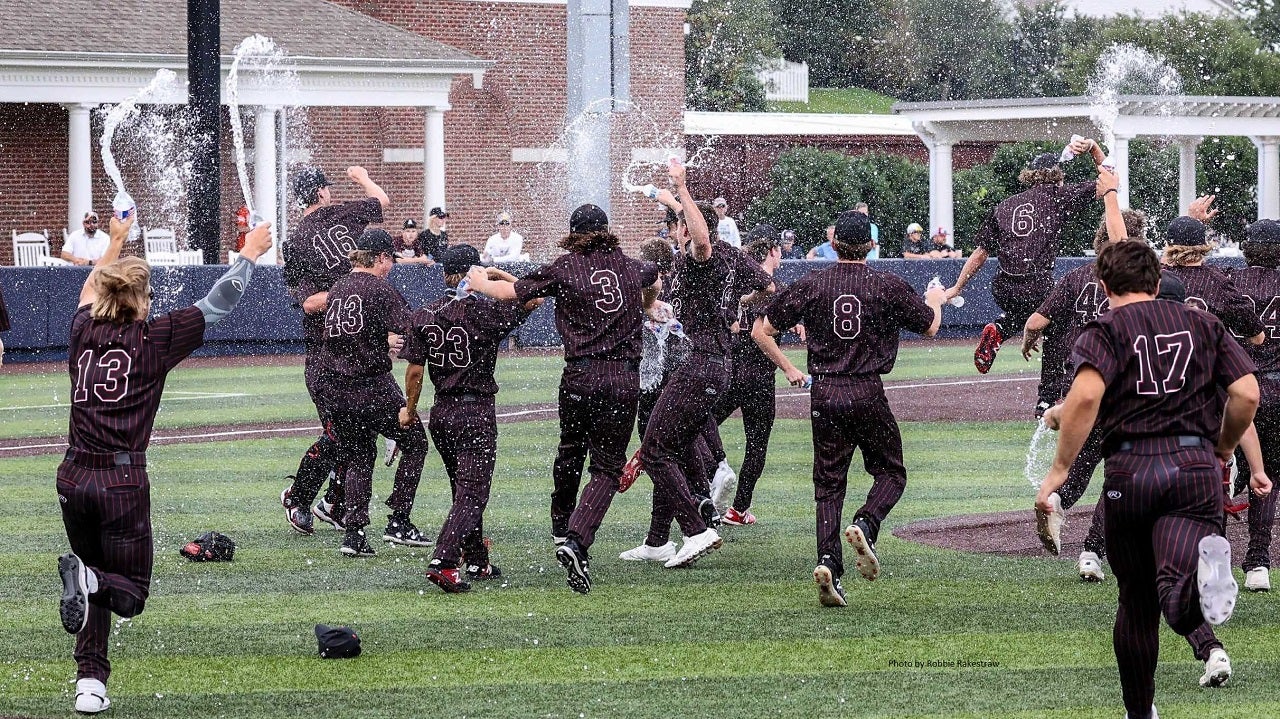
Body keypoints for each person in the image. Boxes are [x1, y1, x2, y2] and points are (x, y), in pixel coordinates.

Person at [1036, 240, 1268, 719]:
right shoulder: (1203, 323)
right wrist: (1222, 447)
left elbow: (1084, 400)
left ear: (1103, 286)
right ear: (1159, 284)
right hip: (1193, 466)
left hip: (1131, 469)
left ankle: (1140, 711)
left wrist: (1058, 472)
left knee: (1136, 602)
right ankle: (1198, 583)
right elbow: (1246, 394)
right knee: (1175, 580)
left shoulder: (1103, 328)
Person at [56, 214, 273, 714]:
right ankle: (88, 587)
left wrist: (114, 241)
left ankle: (90, 683)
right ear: (140, 300)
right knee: (127, 593)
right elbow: (220, 302)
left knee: (90, 573)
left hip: (72, 474)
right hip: (120, 479)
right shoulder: (152, 338)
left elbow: (90, 284)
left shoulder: (81, 328)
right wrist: (249, 253)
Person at [753, 210, 943, 607]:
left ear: (833, 243)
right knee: (891, 471)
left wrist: (789, 367)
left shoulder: (813, 280)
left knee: (828, 484)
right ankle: (867, 523)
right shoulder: (886, 283)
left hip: (825, 393)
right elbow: (929, 327)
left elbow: (761, 331)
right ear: (872, 245)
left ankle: (828, 562)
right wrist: (936, 299)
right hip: (867, 390)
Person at [467, 204, 660, 593]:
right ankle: (577, 539)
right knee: (607, 469)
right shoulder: (631, 266)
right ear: (607, 230)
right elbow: (655, 278)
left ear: (573, 233)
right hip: (622, 378)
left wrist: (478, 281)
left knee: (570, 450)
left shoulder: (565, 266)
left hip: (579, 376)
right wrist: (643, 304)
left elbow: (509, 292)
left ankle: (561, 526)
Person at [624, 161, 773, 570]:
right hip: (716, 362)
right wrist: (729, 307)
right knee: (675, 448)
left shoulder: (701, 253)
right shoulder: (734, 257)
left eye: (678, 225)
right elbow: (768, 286)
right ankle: (657, 540)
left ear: (688, 228)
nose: (674, 231)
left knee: (654, 450)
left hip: (697, 364)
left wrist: (683, 186)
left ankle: (697, 529)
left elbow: (701, 240)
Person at [402, 245, 541, 592]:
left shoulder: (425, 313)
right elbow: (533, 298)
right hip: (474, 410)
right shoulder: (485, 311)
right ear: (473, 271)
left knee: (462, 488)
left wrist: (410, 408)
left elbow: (415, 371)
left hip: (442, 412)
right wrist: (497, 278)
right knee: (473, 492)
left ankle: (477, 558)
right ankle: (445, 560)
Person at [279, 165, 389, 535]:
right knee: (342, 434)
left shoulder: (296, 240)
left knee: (362, 432)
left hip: (351, 349)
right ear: (323, 193)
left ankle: (335, 503)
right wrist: (362, 177)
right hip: (327, 354)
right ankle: (298, 496)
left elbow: (305, 299)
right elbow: (309, 303)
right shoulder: (311, 231)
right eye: (328, 188)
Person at [312, 229, 430, 557]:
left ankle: (354, 533)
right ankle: (399, 521)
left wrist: (380, 340)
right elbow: (412, 327)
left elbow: (350, 334)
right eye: (389, 258)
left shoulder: (338, 288)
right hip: (370, 385)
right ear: (379, 258)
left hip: (336, 387)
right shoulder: (379, 288)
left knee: (360, 456)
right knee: (416, 443)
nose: (391, 265)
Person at [945, 140, 1105, 373]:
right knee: (1059, 323)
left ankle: (1002, 328)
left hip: (1003, 288)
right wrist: (1093, 148)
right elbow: (1109, 181)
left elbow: (980, 254)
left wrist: (958, 287)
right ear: (1058, 176)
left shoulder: (1004, 205)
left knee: (1028, 307)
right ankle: (1048, 398)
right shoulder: (1059, 196)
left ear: (1030, 176)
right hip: (1037, 284)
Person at [713, 233, 792, 526]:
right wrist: (788, 367)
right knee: (757, 446)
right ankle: (738, 508)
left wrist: (792, 323)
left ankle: (710, 476)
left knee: (701, 428)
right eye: (779, 249)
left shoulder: (735, 284)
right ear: (771, 251)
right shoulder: (770, 287)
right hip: (757, 376)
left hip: (728, 370)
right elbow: (761, 333)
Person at [1225, 217, 1280, 593]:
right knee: (1269, 476)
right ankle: (1257, 561)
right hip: (1276, 390)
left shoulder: (1228, 280)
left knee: (1221, 474)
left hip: (1234, 391)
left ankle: (1213, 558)